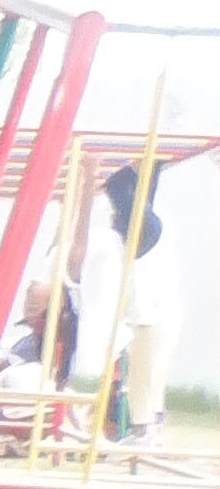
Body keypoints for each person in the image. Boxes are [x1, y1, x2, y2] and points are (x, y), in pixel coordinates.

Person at [75, 161, 179, 445]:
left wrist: (87, 184)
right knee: (137, 200)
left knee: (128, 195)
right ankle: (150, 164)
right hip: (140, 249)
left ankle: (146, 429)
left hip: (140, 253)